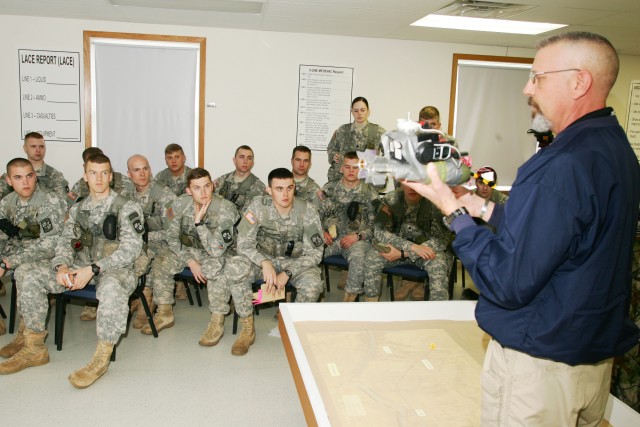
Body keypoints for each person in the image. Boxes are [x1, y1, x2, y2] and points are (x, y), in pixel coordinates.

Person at [404, 32, 640, 425]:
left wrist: (450, 209)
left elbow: (508, 279)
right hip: (590, 356)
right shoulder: (614, 150)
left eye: (538, 77)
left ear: (579, 82)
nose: (527, 88)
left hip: (541, 365)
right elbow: (566, 232)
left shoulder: (559, 164)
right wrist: (480, 207)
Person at [0, 153, 146, 389]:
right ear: (85, 175)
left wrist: (94, 268)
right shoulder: (79, 210)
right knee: (28, 272)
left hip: (115, 270)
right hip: (80, 268)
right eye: (93, 173)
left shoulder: (127, 208)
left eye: (104, 173)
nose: (99, 178)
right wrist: (62, 266)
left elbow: (131, 250)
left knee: (111, 288)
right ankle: (34, 347)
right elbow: (64, 242)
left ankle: (101, 357)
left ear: (112, 176)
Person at [148, 169, 251, 353]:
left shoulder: (225, 208)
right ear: (188, 191)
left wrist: (199, 224)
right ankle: (164, 313)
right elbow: (171, 238)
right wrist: (190, 261)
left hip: (219, 254)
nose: (203, 193)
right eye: (197, 188)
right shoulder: (179, 204)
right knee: (162, 260)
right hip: (191, 252)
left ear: (212, 185)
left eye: (207, 186)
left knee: (214, 269)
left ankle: (217, 321)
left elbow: (216, 250)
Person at [0, 158, 66, 356]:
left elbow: (50, 245)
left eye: (29, 176)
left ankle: (25, 333)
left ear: (35, 176)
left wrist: (8, 262)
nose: (26, 182)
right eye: (18, 178)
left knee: (24, 271)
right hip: (18, 251)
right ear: (9, 181)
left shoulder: (49, 200)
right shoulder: (7, 202)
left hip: (46, 256)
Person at [237, 168, 324, 308]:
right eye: (279, 189)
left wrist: (288, 272)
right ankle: (246, 321)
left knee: (313, 285)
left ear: (294, 187)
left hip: (296, 262)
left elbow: (315, 253)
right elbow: (243, 244)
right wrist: (264, 262)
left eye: (289, 188)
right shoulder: (257, 206)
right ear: (269, 190)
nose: (285, 194)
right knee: (235, 270)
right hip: (265, 258)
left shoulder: (308, 210)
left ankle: (295, 321)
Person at [372, 183, 453, 301]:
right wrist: (410, 247)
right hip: (398, 247)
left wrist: (404, 253)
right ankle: (371, 307)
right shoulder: (391, 199)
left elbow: (442, 240)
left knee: (438, 264)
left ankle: (438, 313)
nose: (412, 188)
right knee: (372, 256)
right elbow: (378, 230)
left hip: (429, 250)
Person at [318, 152, 382, 301]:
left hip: (357, 240)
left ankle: (349, 301)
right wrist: (321, 231)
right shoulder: (329, 189)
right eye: (347, 167)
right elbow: (314, 216)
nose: (351, 171)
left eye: (355, 167)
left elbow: (378, 227)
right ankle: (313, 295)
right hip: (332, 238)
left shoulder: (370, 193)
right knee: (311, 251)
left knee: (358, 257)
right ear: (341, 168)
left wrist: (358, 236)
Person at [126, 154, 177, 329]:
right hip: (140, 243)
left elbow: (172, 231)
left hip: (166, 242)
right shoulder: (126, 195)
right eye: (137, 170)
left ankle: (158, 308)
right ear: (129, 174)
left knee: (152, 259)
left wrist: (143, 239)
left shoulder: (163, 194)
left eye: (145, 168)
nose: (142, 173)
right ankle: (142, 300)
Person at [326, 97, 385, 182]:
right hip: (342, 181)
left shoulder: (378, 131)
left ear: (368, 111)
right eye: (356, 111)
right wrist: (334, 156)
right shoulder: (342, 130)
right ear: (352, 112)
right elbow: (331, 149)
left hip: (367, 181)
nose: (359, 114)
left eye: (362, 110)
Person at [0, 132, 69, 200]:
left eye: (41, 146)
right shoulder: (12, 175)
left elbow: (63, 203)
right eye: (33, 146)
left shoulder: (55, 176)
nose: (38, 150)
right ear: (25, 148)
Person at [67, 147, 135, 208]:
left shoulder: (123, 181)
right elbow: (70, 209)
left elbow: (131, 204)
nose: (99, 178)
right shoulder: (79, 185)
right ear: (84, 166)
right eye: (91, 162)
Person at [213, 145, 266, 214]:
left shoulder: (259, 187)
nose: (245, 161)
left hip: (244, 224)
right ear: (234, 160)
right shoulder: (221, 180)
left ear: (252, 163)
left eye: (249, 158)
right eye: (241, 157)